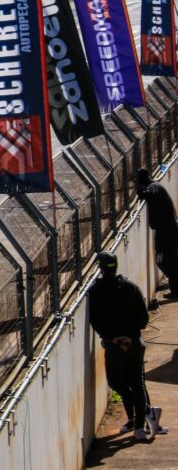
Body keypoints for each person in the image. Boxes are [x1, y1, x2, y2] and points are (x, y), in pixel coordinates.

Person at [88, 252, 157, 440]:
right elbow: (143, 318)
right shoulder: (131, 287)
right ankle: (139, 425)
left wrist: (114, 338)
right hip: (134, 342)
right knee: (137, 382)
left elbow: (95, 320)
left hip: (114, 345)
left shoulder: (96, 291)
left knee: (117, 381)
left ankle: (144, 412)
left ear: (100, 269)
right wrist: (130, 336)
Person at [136, 168, 178, 297]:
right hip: (166, 230)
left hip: (168, 232)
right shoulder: (156, 186)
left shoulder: (154, 187)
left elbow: (147, 194)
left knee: (163, 261)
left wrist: (141, 190)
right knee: (168, 260)